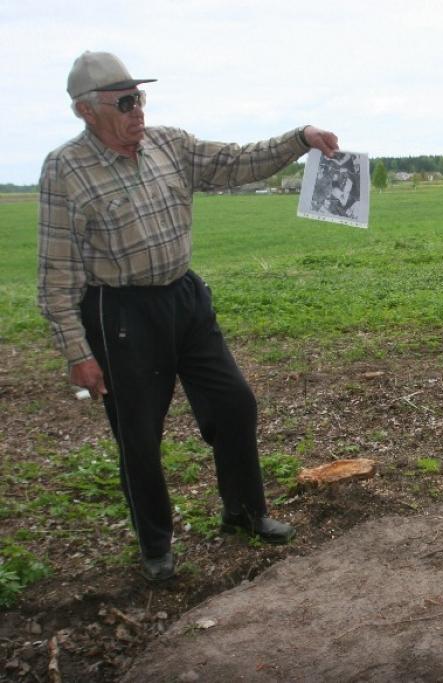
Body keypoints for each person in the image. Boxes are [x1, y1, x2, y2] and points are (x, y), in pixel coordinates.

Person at [37, 51, 340, 582]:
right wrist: (76, 353)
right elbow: (55, 272)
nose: (138, 111)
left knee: (234, 403)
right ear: (86, 111)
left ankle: (244, 514)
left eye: (141, 97)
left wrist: (300, 138)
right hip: (121, 313)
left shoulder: (169, 145)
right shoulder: (65, 170)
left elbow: (236, 161)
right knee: (138, 436)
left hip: (184, 298)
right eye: (125, 101)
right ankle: (156, 546)